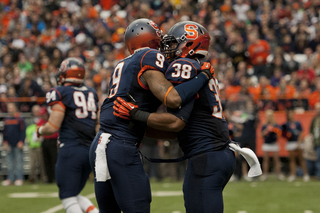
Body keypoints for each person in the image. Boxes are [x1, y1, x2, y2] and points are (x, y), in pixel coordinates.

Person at [88, 18, 213, 213]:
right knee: (139, 208)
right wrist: (203, 76)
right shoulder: (149, 55)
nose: (166, 46)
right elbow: (172, 99)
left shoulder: (125, 63)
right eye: (161, 40)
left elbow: (152, 126)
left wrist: (171, 129)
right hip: (120, 144)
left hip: (102, 142)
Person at [114, 21, 237, 213]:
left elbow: (175, 122)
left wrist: (135, 114)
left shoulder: (184, 64)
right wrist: (137, 128)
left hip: (207, 155)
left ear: (188, 45)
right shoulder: (197, 66)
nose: (167, 50)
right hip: (217, 153)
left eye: (172, 44)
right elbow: (174, 132)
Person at [36, 58, 99, 213]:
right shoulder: (91, 92)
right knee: (73, 194)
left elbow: (52, 127)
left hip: (71, 148)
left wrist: (39, 131)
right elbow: (96, 124)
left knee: (67, 196)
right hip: (90, 150)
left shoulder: (59, 92)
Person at [1, 102, 26, 186]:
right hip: (9, 144)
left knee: (19, 162)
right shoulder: (6, 120)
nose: (10, 109)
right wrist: (5, 142)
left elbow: (22, 131)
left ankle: (19, 178)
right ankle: (10, 178)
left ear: (15, 108)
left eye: (11, 107)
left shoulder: (20, 119)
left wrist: (21, 141)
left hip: (18, 143)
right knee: (9, 163)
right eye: (9, 108)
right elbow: (4, 133)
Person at [282, 109, 309, 182]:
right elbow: (283, 134)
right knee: (292, 159)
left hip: (298, 142)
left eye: (292, 114)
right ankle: (293, 175)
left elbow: (301, 133)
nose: (291, 115)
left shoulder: (298, 123)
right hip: (290, 143)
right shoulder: (286, 124)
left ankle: (306, 174)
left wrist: (299, 142)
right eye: (289, 114)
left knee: (301, 159)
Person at [260, 109, 284, 181]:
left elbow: (280, 134)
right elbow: (261, 135)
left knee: (276, 159)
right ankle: (265, 174)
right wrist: (266, 131)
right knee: (266, 160)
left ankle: (279, 174)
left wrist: (275, 130)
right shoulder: (264, 125)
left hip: (274, 143)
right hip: (267, 143)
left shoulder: (276, 125)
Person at [26, 105, 47, 183]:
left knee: (42, 163)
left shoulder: (42, 120)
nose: (36, 112)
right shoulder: (29, 121)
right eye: (35, 111)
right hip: (32, 144)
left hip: (40, 144)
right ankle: (32, 177)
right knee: (32, 163)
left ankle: (44, 177)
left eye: (37, 111)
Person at [37, 106, 58, 183]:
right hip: (45, 141)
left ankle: (56, 177)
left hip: (53, 140)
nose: (43, 116)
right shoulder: (40, 121)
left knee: (54, 160)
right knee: (46, 161)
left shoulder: (51, 120)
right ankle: (49, 178)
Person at [309, 102, 320, 180]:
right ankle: (318, 174)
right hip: (316, 142)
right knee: (317, 159)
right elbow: (311, 131)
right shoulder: (314, 119)